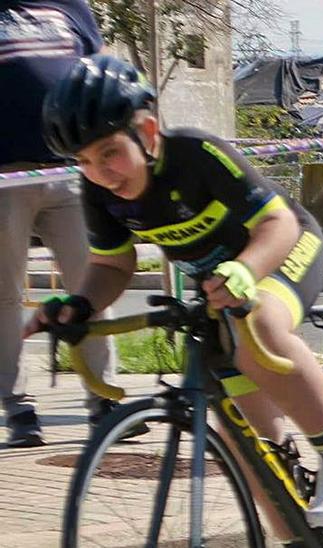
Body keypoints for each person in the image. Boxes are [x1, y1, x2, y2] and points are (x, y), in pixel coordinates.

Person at [31, 55, 323, 532]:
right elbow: (113, 263)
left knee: (259, 325)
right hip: (221, 290)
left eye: (109, 152)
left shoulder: (195, 153)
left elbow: (276, 223)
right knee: (255, 454)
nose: (100, 172)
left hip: (283, 246)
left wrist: (245, 269)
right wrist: (81, 304)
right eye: (83, 162)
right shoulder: (101, 193)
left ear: (148, 133)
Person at [0, 0, 124, 447]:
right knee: (5, 296)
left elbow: (100, 73)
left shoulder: (72, 7)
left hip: (73, 170)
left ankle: (105, 401)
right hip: (5, 174)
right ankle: (18, 410)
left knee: (92, 282)